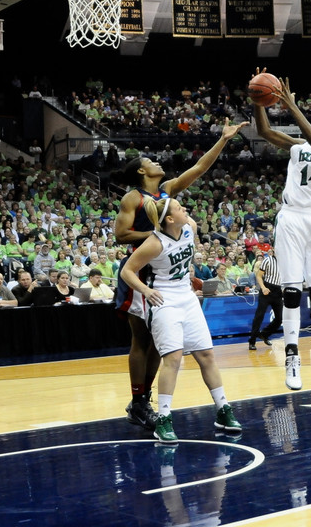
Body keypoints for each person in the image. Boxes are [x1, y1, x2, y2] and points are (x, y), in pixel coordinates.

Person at [114, 117, 248, 431]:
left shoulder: (167, 191)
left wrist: (224, 139)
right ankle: (138, 402)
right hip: (144, 271)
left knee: (163, 345)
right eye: (150, 161)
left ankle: (145, 400)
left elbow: (200, 167)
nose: (156, 161)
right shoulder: (133, 198)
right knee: (141, 339)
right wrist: (158, 239)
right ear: (140, 171)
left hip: (168, 271)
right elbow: (120, 234)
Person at [119, 196, 242, 444]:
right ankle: (164, 418)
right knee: (173, 358)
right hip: (164, 301)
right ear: (169, 219)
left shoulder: (190, 228)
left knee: (206, 355)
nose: (184, 208)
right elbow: (126, 271)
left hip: (187, 298)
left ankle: (223, 409)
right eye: (178, 208)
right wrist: (146, 290)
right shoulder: (154, 243)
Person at [253, 73, 311, 391]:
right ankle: (292, 359)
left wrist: (291, 105)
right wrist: (258, 102)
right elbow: (264, 131)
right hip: (291, 217)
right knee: (291, 290)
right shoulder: (295, 145)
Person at [248, 246, 283, 350]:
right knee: (259, 316)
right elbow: (259, 276)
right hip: (267, 289)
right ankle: (252, 341)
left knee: (279, 318)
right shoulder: (268, 260)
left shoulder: (285, 262)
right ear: (274, 250)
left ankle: (264, 334)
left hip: (278, 291)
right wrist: (263, 288)